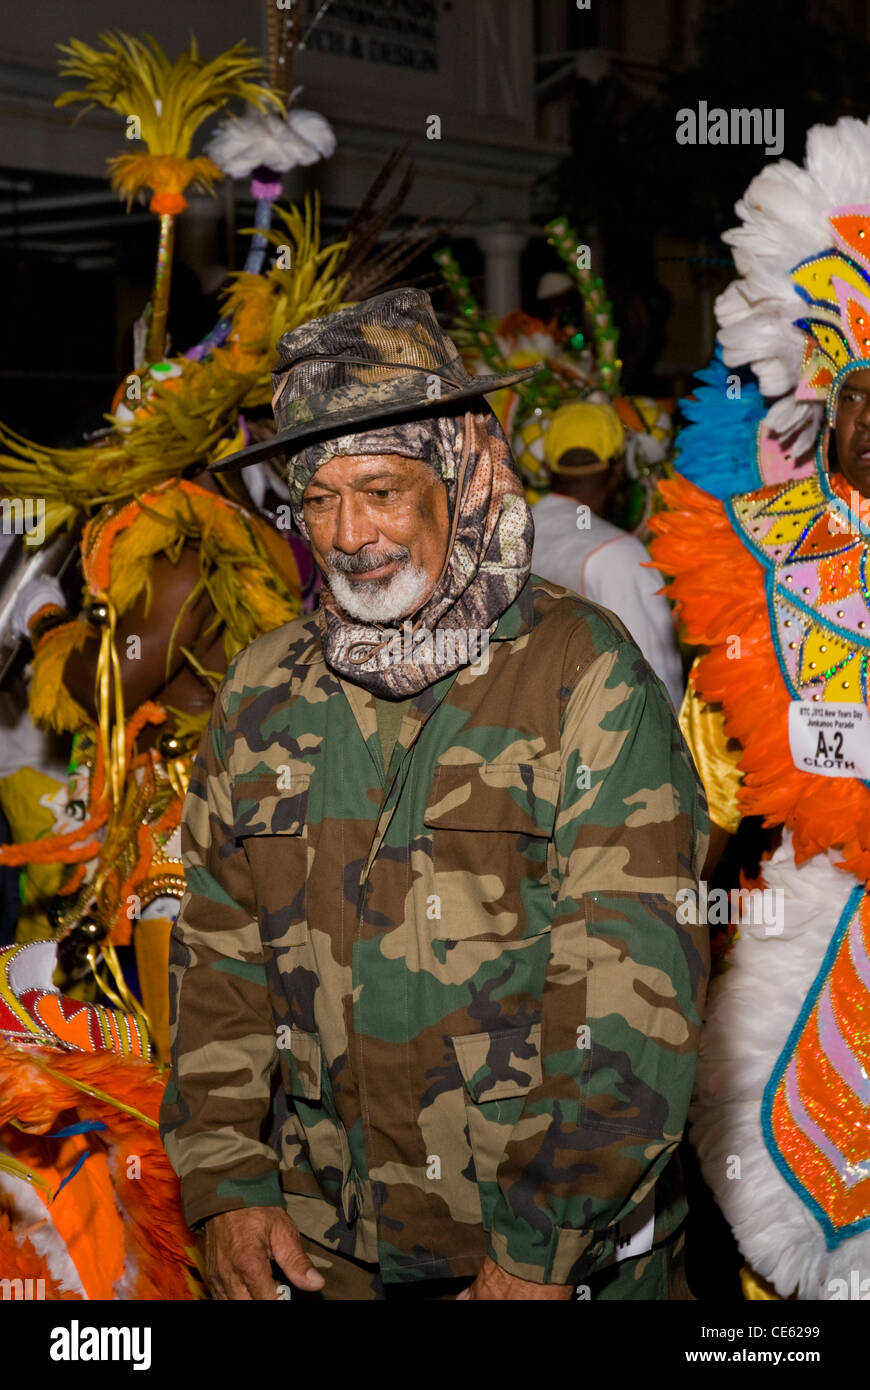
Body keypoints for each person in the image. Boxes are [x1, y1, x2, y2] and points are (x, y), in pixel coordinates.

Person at [160, 287, 709, 1301]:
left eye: (380, 489)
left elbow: (632, 990)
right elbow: (219, 949)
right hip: (327, 1254)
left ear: (459, 472)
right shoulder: (264, 685)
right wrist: (226, 1179)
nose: (349, 531)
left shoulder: (581, 674)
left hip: (550, 1261)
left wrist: (538, 1249)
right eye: (318, 499)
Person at [650, 114, 870, 1300]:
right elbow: (719, 777)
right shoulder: (751, 546)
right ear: (820, 403)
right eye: (860, 392)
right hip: (811, 899)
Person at [531, 402, 684, 707]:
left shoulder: (511, 531)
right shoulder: (617, 554)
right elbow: (656, 690)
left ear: (547, 468)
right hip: (598, 746)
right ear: (618, 468)